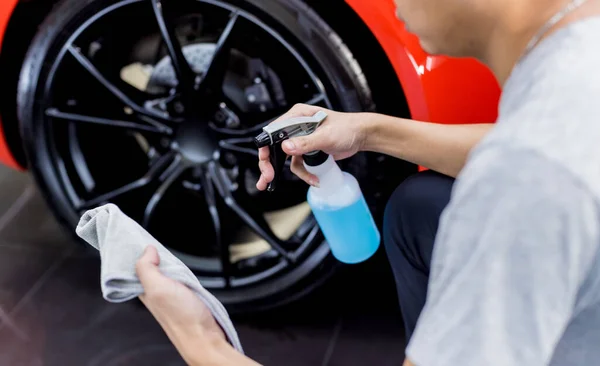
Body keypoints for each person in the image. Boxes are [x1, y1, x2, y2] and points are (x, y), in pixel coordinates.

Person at [135, 0, 600, 364]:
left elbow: (529, 162)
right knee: (418, 208)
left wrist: (203, 346)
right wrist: (370, 130)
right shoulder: (578, 51)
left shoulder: (523, 181)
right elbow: (534, 141)